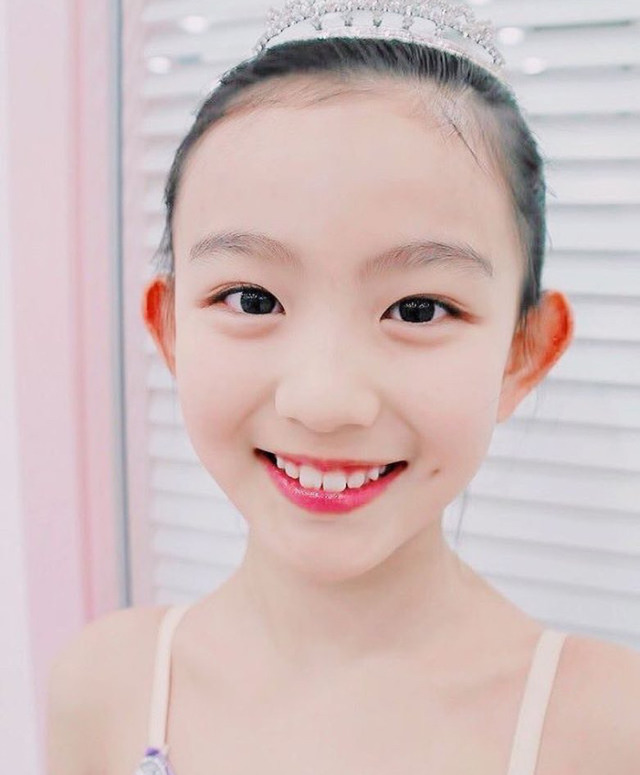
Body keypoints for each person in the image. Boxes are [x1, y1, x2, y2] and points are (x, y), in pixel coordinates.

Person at [47, 2, 640, 774]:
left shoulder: (607, 727)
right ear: (171, 331)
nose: (324, 401)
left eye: (418, 309)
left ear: (522, 354)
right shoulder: (103, 688)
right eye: (252, 299)